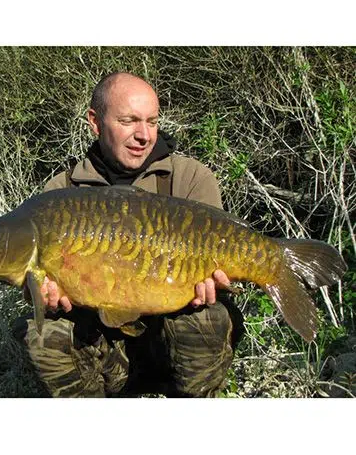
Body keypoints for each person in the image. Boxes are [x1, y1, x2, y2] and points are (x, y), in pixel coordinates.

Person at [13, 72, 244, 397]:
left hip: (171, 340)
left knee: (207, 321)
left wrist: (216, 286)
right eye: (129, 121)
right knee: (42, 334)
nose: (144, 135)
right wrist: (46, 297)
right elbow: (34, 282)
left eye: (152, 121)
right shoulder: (60, 193)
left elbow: (219, 264)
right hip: (103, 347)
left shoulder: (191, 178)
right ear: (95, 121)